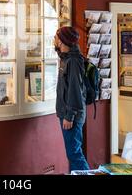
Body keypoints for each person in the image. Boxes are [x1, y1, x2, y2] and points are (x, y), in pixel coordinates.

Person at [54, 26, 90, 172]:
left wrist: (69, 116)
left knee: (74, 154)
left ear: (62, 41)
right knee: (73, 153)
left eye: (56, 37)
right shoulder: (66, 58)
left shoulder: (74, 61)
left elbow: (75, 90)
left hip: (72, 116)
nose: (54, 40)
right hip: (68, 114)